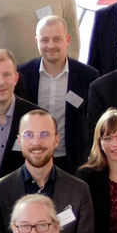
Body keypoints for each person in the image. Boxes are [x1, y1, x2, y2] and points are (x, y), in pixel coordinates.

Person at [0, 109, 93, 233]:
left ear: (56, 140)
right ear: (19, 141)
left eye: (45, 134)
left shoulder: (79, 190)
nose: (36, 142)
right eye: (29, 135)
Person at [19, 15, 99, 171]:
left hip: (74, 163)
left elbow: (92, 124)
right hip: (32, 161)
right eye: (45, 40)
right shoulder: (22, 75)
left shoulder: (88, 76)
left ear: (68, 40)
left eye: (57, 39)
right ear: (36, 41)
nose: (51, 45)